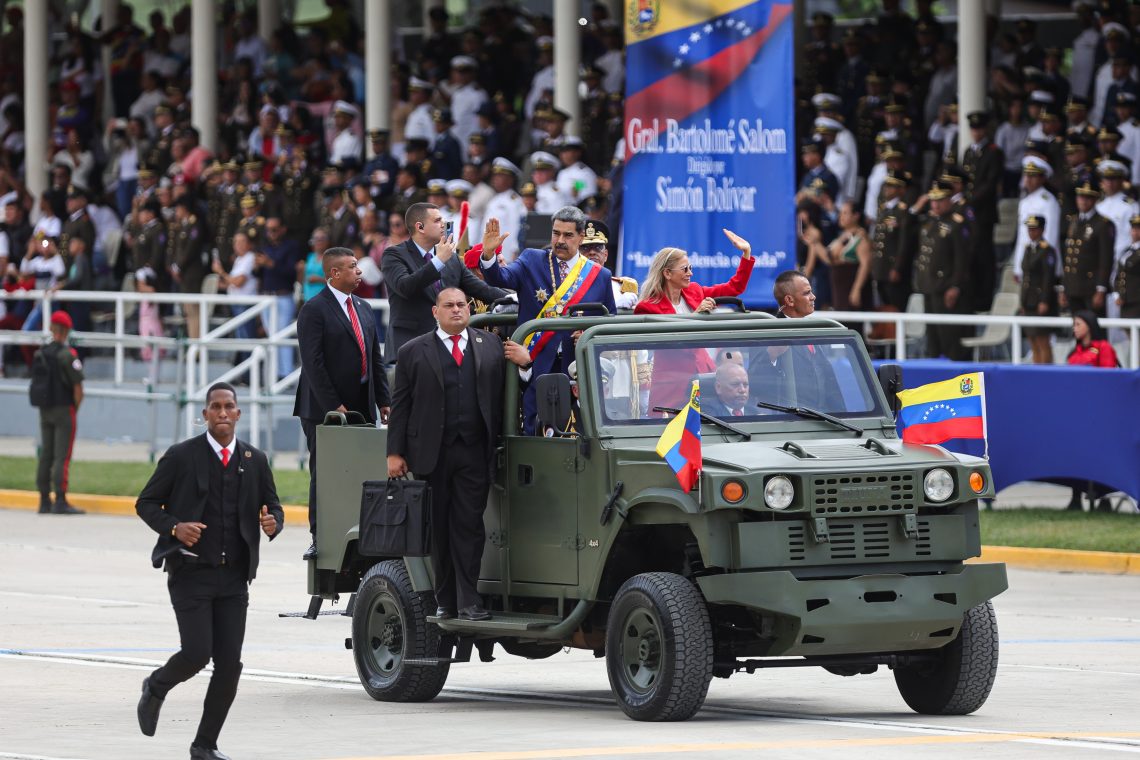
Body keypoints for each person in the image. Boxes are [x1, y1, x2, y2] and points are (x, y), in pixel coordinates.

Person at [135, 382, 283, 759]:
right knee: (197, 653)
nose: (221, 413)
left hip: (234, 578)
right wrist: (174, 527)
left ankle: (204, 745)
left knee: (229, 665)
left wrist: (273, 523)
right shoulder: (181, 456)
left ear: (237, 413)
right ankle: (156, 686)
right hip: (191, 573)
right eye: (214, 407)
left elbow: (273, 506)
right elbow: (146, 503)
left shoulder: (255, 459)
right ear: (204, 415)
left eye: (228, 406)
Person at [386, 288, 508, 622]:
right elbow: (401, 406)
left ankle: (469, 600)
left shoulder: (490, 345)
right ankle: (445, 599)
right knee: (438, 528)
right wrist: (394, 452)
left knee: (469, 527)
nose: (457, 310)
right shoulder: (413, 351)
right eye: (449, 306)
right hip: (431, 454)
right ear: (435, 312)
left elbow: (507, 391)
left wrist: (525, 365)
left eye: (461, 305)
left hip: (474, 452)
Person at [478, 205, 616, 433]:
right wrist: (488, 255)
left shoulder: (600, 276)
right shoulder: (532, 260)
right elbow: (499, 277)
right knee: (537, 432)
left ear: (581, 237)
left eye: (568, 235)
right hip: (534, 363)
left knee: (579, 433)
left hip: (578, 368)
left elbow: (610, 322)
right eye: (556, 233)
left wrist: (590, 334)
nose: (560, 240)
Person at [294, 247, 391, 560]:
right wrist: (334, 404)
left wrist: (383, 399)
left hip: (360, 405)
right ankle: (318, 537)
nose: (359, 271)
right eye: (352, 267)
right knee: (324, 473)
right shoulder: (314, 309)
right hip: (324, 409)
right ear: (334, 273)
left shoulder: (362, 306)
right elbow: (313, 363)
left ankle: (358, 532)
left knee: (360, 472)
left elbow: (374, 357)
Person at [633, 229, 754, 412]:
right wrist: (696, 315)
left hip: (704, 378)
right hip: (672, 385)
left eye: (691, 268)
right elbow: (669, 342)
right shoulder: (647, 307)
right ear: (667, 273)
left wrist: (746, 253)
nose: (690, 273)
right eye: (685, 269)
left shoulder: (694, 290)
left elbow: (734, 287)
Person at [380, 202, 506, 362]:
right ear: (420, 227)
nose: (443, 224)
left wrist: (514, 299)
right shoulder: (394, 254)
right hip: (409, 349)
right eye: (437, 220)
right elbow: (405, 286)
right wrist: (438, 261)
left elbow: (482, 290)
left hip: (446, 349)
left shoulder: (451, 259)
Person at [31, 311, 85, 515]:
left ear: (52, 328)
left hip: (45, 409)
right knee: (62, 456)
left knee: (46, 454)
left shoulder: (41, 352)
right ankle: (60, 500)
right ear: (67, 330)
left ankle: (44, 500)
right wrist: (74, 410)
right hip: (64, 409)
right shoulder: (67, 355)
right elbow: (78, 389)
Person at [914, 186, 970, 360]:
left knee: (949, 337)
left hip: (945, 287)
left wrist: (955, 286)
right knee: (933, 337)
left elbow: (962, 260)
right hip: (929, 286)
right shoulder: (929, 222)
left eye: (940, 200)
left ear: (948, 201)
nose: (935, 205)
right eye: (933, 200)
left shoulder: (956, 224)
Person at [1060, 182, 1114, 317]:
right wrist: (1063, 286)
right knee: (1077, 330)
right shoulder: (1073, 221)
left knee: (1095, 331)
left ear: (1095, 199)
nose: (1083, 201)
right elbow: (1068, 258)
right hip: (1073, 285)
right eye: (1080, 197)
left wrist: (1101, 289)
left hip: (1091, 287)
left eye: (1088, 197)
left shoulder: (1102, 224)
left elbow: (1105, 260)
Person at [806, 200, 871, 310]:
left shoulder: (861, 237)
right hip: (839, 290)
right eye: (840, 213)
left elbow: (865, 264)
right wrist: (815, 242)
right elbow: (829, 259)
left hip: (851, 288)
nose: (841, 216)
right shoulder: (842, 236)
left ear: (856, 216)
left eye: (845, 213)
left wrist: (857, 289)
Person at [1018, 216, 1058, 365]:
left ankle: (1046, 370)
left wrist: (1044, 300)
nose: (1031, 232)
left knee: (1042, 340)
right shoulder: (1028, 248)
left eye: (1034, 229)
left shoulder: (1047, 250)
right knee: (1032, 339)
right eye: (1029, 229)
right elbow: (1026, 277)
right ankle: (1036, 367)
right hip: (1028, 300)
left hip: (1040, 300)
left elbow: (1048, 278)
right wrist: (1022, 301)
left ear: (1041, 230)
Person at [1114, 214, 1140, 319]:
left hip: (1136, 300)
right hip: (1125, 300)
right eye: (1134, 228)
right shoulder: (1127, 251)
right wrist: (1118, 294)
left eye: (1138, 228)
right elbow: (1119, 274)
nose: (1135, 231)